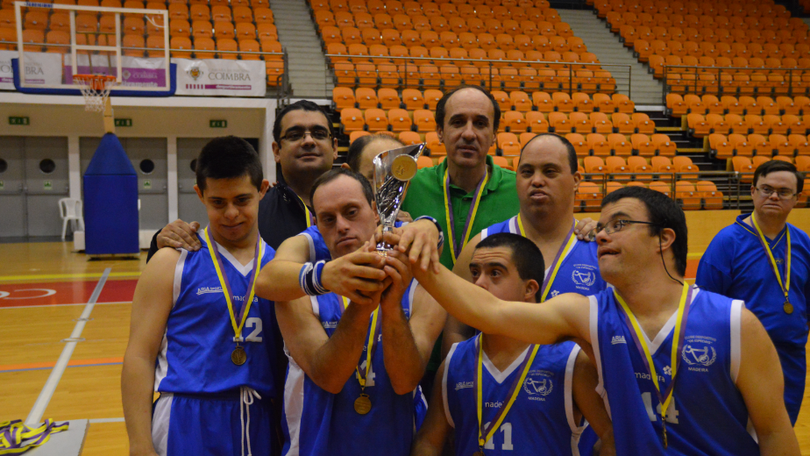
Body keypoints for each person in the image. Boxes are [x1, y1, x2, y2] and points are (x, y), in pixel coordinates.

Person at [405, 186, 800, 455]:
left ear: (664, 238)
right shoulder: (588, 313)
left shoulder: (734, 322)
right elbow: (488, 312)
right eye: (603, 225)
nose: (602, 235)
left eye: (620, 225)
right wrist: (419, 250)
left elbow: (774, 432)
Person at [122, 137, 282, 456]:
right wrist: (139, 444)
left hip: (262, 420)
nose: (231, 213)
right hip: (186, 418)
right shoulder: (171, 261)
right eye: (218, 202)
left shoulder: (281, 267)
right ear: (200, 195)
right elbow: (139, 356)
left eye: (242, 199)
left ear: (263, 190)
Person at [270, 168, 446, 456]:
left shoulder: (422, 282)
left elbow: (405, 381)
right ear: (316, 225)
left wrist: (390, 308)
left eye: (351, 212)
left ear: (376, 211)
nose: (341, 226)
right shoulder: (296, 287)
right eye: (328, 219)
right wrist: (365, 302)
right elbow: (329, 376)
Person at [411, 233, 614, 456]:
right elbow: (429, 442)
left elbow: (612, 437)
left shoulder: (572, 361)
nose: (478, 283)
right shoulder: (454, 361)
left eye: (495, 273)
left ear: (529, 289)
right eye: (475, 273)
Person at [443, 133, 606, 354]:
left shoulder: (601, 249)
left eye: (550, 171)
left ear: (576, 180)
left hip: (579, 386)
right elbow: (457, 328)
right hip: (495, 386)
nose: (537, 180)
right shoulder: (481, 245)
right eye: (527, 172)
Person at [255, 134, 442, 305]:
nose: (388, 189)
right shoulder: (319, 236)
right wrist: (325, 275)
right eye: (376, 177)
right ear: (349, 174)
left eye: (398, 178)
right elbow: (266, 280)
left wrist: (430, 225)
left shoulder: (407, 233)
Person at [146, 100, 338, 258]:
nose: (308, 141)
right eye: (295, 135)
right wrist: (161, 242)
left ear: (335, 147)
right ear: (276, 151)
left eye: (319, 134)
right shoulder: (249, 213)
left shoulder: (360, 210)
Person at [696, 160, 810, 425]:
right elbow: (704, 306)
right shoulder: (726, 242)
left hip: (790, 358)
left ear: (797, 199)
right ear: (752, 191)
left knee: (780, 430)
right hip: (740, 357)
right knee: (739, 435)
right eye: (766, 188)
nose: (773, 196)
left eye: (783, 192)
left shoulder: (803, 243)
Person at [400, 85, 519, 271]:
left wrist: (582, 227)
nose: (469, 134)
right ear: (440, 131)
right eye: (458, 122)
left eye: (480, 124)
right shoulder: (408, 186)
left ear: (494, 135)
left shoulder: (520, 189)